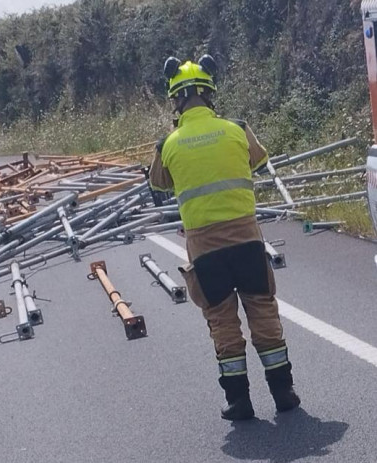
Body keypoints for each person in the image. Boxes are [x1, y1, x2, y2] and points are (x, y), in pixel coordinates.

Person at [149, 55, 300, 421]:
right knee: (263, 311)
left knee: (223, 322)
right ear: (211, 93)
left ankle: (239, 401)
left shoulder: (167, 145)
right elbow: (258, 160)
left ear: (176, 100)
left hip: (205, 249)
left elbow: (158, 183)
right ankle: (283, 392)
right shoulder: (237, 129)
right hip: (247, 239)